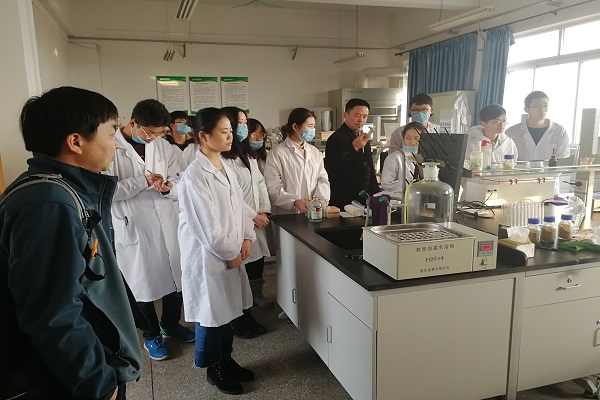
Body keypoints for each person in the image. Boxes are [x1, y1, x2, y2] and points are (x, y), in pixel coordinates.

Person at [0, 86, 142, 399]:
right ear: (75, 141)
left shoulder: (55, 190)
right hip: (66, 379)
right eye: (111, 132)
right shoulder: (49, 204)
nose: (116, 144)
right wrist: (98, 383)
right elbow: (54, 313)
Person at [108, 99, 194, 362]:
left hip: (167, 220)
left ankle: (171, 323)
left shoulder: (163, 146)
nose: (154, 138)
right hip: (133, 224)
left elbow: (181, 176)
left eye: (159, 133)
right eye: (150, 133)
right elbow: (105, 189)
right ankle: (151, 334)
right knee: (141, 282)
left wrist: (169, 187)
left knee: (175, 275)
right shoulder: (110, 147)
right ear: (134, 123)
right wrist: (141, 182)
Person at [178, 107, 256, 395]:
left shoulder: (225, 166)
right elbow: (207, 227)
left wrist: (247, 237)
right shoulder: (195, 176)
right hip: (209, 259)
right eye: (224, 131)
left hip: (231, 253)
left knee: (228, 313)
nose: (230, 136)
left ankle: (227, 359)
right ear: (203, 136)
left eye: (230, 131)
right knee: (212, 317)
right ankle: (214, 368)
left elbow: (240, 208)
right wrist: (231, 253)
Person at [220, 107, 269, 338]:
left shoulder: (246, 154)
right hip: (237, 222)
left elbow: (259, 184)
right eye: (239, 122)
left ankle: (246, 312)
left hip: (255, 221)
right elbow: (231, 195)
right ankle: (237, 319)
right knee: (238, 273)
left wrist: (263, 211)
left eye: (244, 122)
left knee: (253, 267)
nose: (243, 126)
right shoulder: (222, 158)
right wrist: (252, 215)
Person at [264, 108, 330, 215]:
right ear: (295, 127)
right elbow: (273, 187)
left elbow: (322, 178)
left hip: (314, 211)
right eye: (309, 126)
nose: (313, 130)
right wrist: (294, 202)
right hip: (288, 214)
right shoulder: (277, 154)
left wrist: (320, 199)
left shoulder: (314, 152)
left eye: (314, 126)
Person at [324, 99, 379, 208]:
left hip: (365, 196)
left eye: (365, 116)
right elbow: (333, 166)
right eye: (357, 115)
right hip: (345, 197)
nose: (361, 120)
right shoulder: (337, 138)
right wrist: (354, 147)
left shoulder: (363, 137)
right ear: (345, 115)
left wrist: (376, 191)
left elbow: (369, 166)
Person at [505, 91, 570, 161]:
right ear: (526, 109)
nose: (542, 110)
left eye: (545, 106)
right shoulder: (512, 132)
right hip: (521, 168)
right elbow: (506, 159)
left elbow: (563, 159)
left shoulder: (559, 131)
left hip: (550, 169)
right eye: (537, 106)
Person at [381, 121, 426, 195]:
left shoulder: (428, 158)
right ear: (403, 138)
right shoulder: (394, 158)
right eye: (408, 138)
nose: (412, 142)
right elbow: (387, 184)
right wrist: (410, 185)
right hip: (400, 198)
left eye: (417, 138)